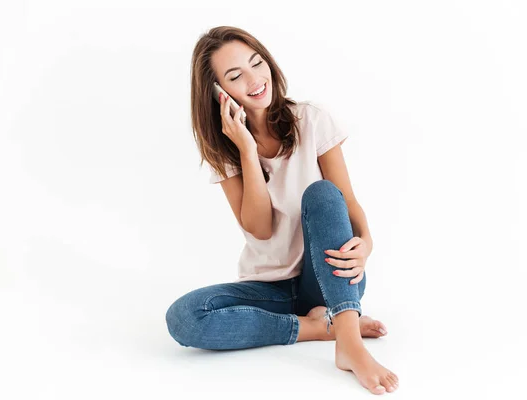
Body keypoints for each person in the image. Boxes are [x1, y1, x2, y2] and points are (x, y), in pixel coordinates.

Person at [166, 26, 399, 395]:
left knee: (323, 193)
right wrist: (245, 147)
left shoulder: (312, 120)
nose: (255, 79)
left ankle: (349, 344)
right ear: (218, 93)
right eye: (235, 76)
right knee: (184, 318)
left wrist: (367, 243)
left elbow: (346, 201)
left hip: (328, 278)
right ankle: (324, 328)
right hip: (267, 288)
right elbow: (260, 228)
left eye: (257, 63)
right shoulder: (224, 153)